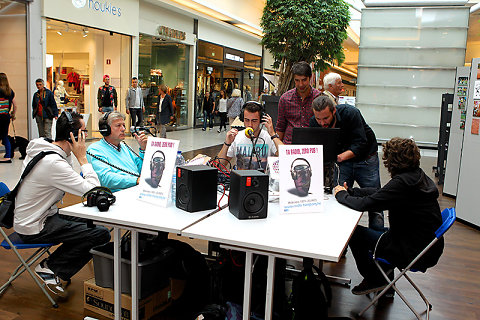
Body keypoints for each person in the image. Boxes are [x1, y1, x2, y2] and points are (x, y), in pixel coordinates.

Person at [14, 112, 111, 298]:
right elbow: (93, 190)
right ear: (73, 136)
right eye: (83, 131)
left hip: (40, 214)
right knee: (100, 233)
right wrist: (83, 159)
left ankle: (55, 265)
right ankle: (50, 267)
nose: (86, 136)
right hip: (33, 225)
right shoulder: (53, 162)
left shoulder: (46, 148)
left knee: (92, 222)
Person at [333, 138, 444, 295]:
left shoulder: (403, 183)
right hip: (425, 246)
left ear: (391, 161)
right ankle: (384, 279)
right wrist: (352, 192)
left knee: (353, 234)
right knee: (371, 234)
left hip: (411, 250)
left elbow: (366, 204)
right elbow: (381, 194)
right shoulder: (416, 176)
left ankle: (375, 279)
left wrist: (341, 195)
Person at [309, 95, 384, 230]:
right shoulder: (314, 122)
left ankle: (377, 238)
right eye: (318, 119)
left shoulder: (350, 113)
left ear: (334, 111)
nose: (322, 123)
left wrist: (340, 157)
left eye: (325, 118)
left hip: (366, 158)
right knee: (339, 196)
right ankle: (341, 237)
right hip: (342, 161)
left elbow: (361, 143)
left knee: (375, 200)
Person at [87, 111, 148, 192]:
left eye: (124, 125)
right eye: (118, 125)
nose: (123, 129)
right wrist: (136, 181)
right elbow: (105, 179)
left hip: (137, 189)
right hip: (118, 195)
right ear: (105, 129)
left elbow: (142, 170)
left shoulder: (125, 147)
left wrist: (143, 149)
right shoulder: (95, 150)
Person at [217, 101, 283, 170]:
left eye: (254, 121)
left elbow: (286, 157)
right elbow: (219, 166)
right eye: (247, 120)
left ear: (261, 120)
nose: (250, 125)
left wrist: (273, 134)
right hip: (241, 180)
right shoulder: (237, 137)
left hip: (262, 180)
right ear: (242, 119)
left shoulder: (268, 137)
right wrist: (226, 143)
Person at [276, 61, 321, 144]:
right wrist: (278, 149)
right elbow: (280, 126)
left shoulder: (319, 98)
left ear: (310, 78)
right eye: (297, 80)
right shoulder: (285, 99)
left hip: (311, 145)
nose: (301, 84)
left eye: (304, 80)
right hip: (290, 145)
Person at [0, 73, 17, 163]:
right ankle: (8, 155)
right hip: (6, 117)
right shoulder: (10, 91)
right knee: (5, 136)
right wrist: (13, 114)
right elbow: (15, 105)